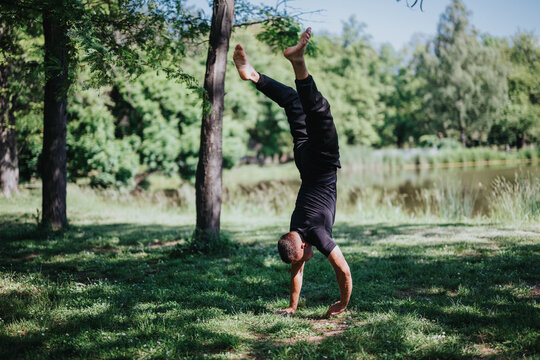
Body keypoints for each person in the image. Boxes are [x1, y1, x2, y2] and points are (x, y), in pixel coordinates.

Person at [233, 28, 352, 317]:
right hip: (303, 159)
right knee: (293, 103)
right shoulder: (295, 229)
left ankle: (298, 62)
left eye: (303, 255)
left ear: (299, 243)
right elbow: (295, 273)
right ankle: (253, 75)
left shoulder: (315, 235)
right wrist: (292, 306)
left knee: (319, 112)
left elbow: (344, 271)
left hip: (322, 163)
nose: (306, 259)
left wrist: (343, 302)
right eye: (303, 257)